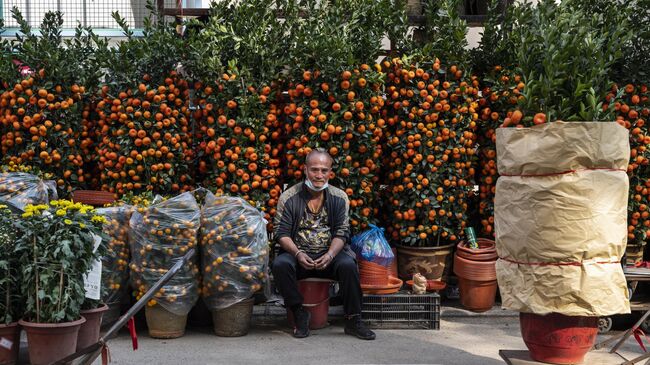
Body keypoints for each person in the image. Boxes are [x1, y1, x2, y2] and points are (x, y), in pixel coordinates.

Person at [272, 148, 376, 340]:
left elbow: (342, 232)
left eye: (324, 170)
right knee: (280, 265)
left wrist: (329, 255)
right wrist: (297, 254)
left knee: (348, 265)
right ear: (305, 170)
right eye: (314, 170)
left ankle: (353, 320)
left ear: (330, 172)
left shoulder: (339, 197)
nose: (319, 175)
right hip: (299, 258)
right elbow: (281, 233)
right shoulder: (289, 197)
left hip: (329, 258)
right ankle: (299, 314)